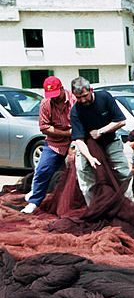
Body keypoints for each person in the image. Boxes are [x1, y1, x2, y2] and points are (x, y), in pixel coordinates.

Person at [69, 76, 133, 206]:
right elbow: (79, 140)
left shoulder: (104, 97)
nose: (82, 100)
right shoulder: (76, 111)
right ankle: (93, 207)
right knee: (83, 171)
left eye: (85, 96)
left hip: (110, 141)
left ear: (91, 90)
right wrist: (90, 158)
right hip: (88, 144)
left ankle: (129, 203)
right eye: (78, 97)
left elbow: (121, 121)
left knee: (124, 172)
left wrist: (101, 131)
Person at [21, 76, 76, 214]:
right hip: (54, 142)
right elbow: (44, 127)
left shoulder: (74, 100)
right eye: (51, 95)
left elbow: (81, 124)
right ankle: (34, 202)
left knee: (78, 172)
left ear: (62, 89)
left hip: (76, 139)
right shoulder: (45, 103)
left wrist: (73, 143)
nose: (54, 98)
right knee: (42, 170)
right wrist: (66, 133)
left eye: (57, 94)